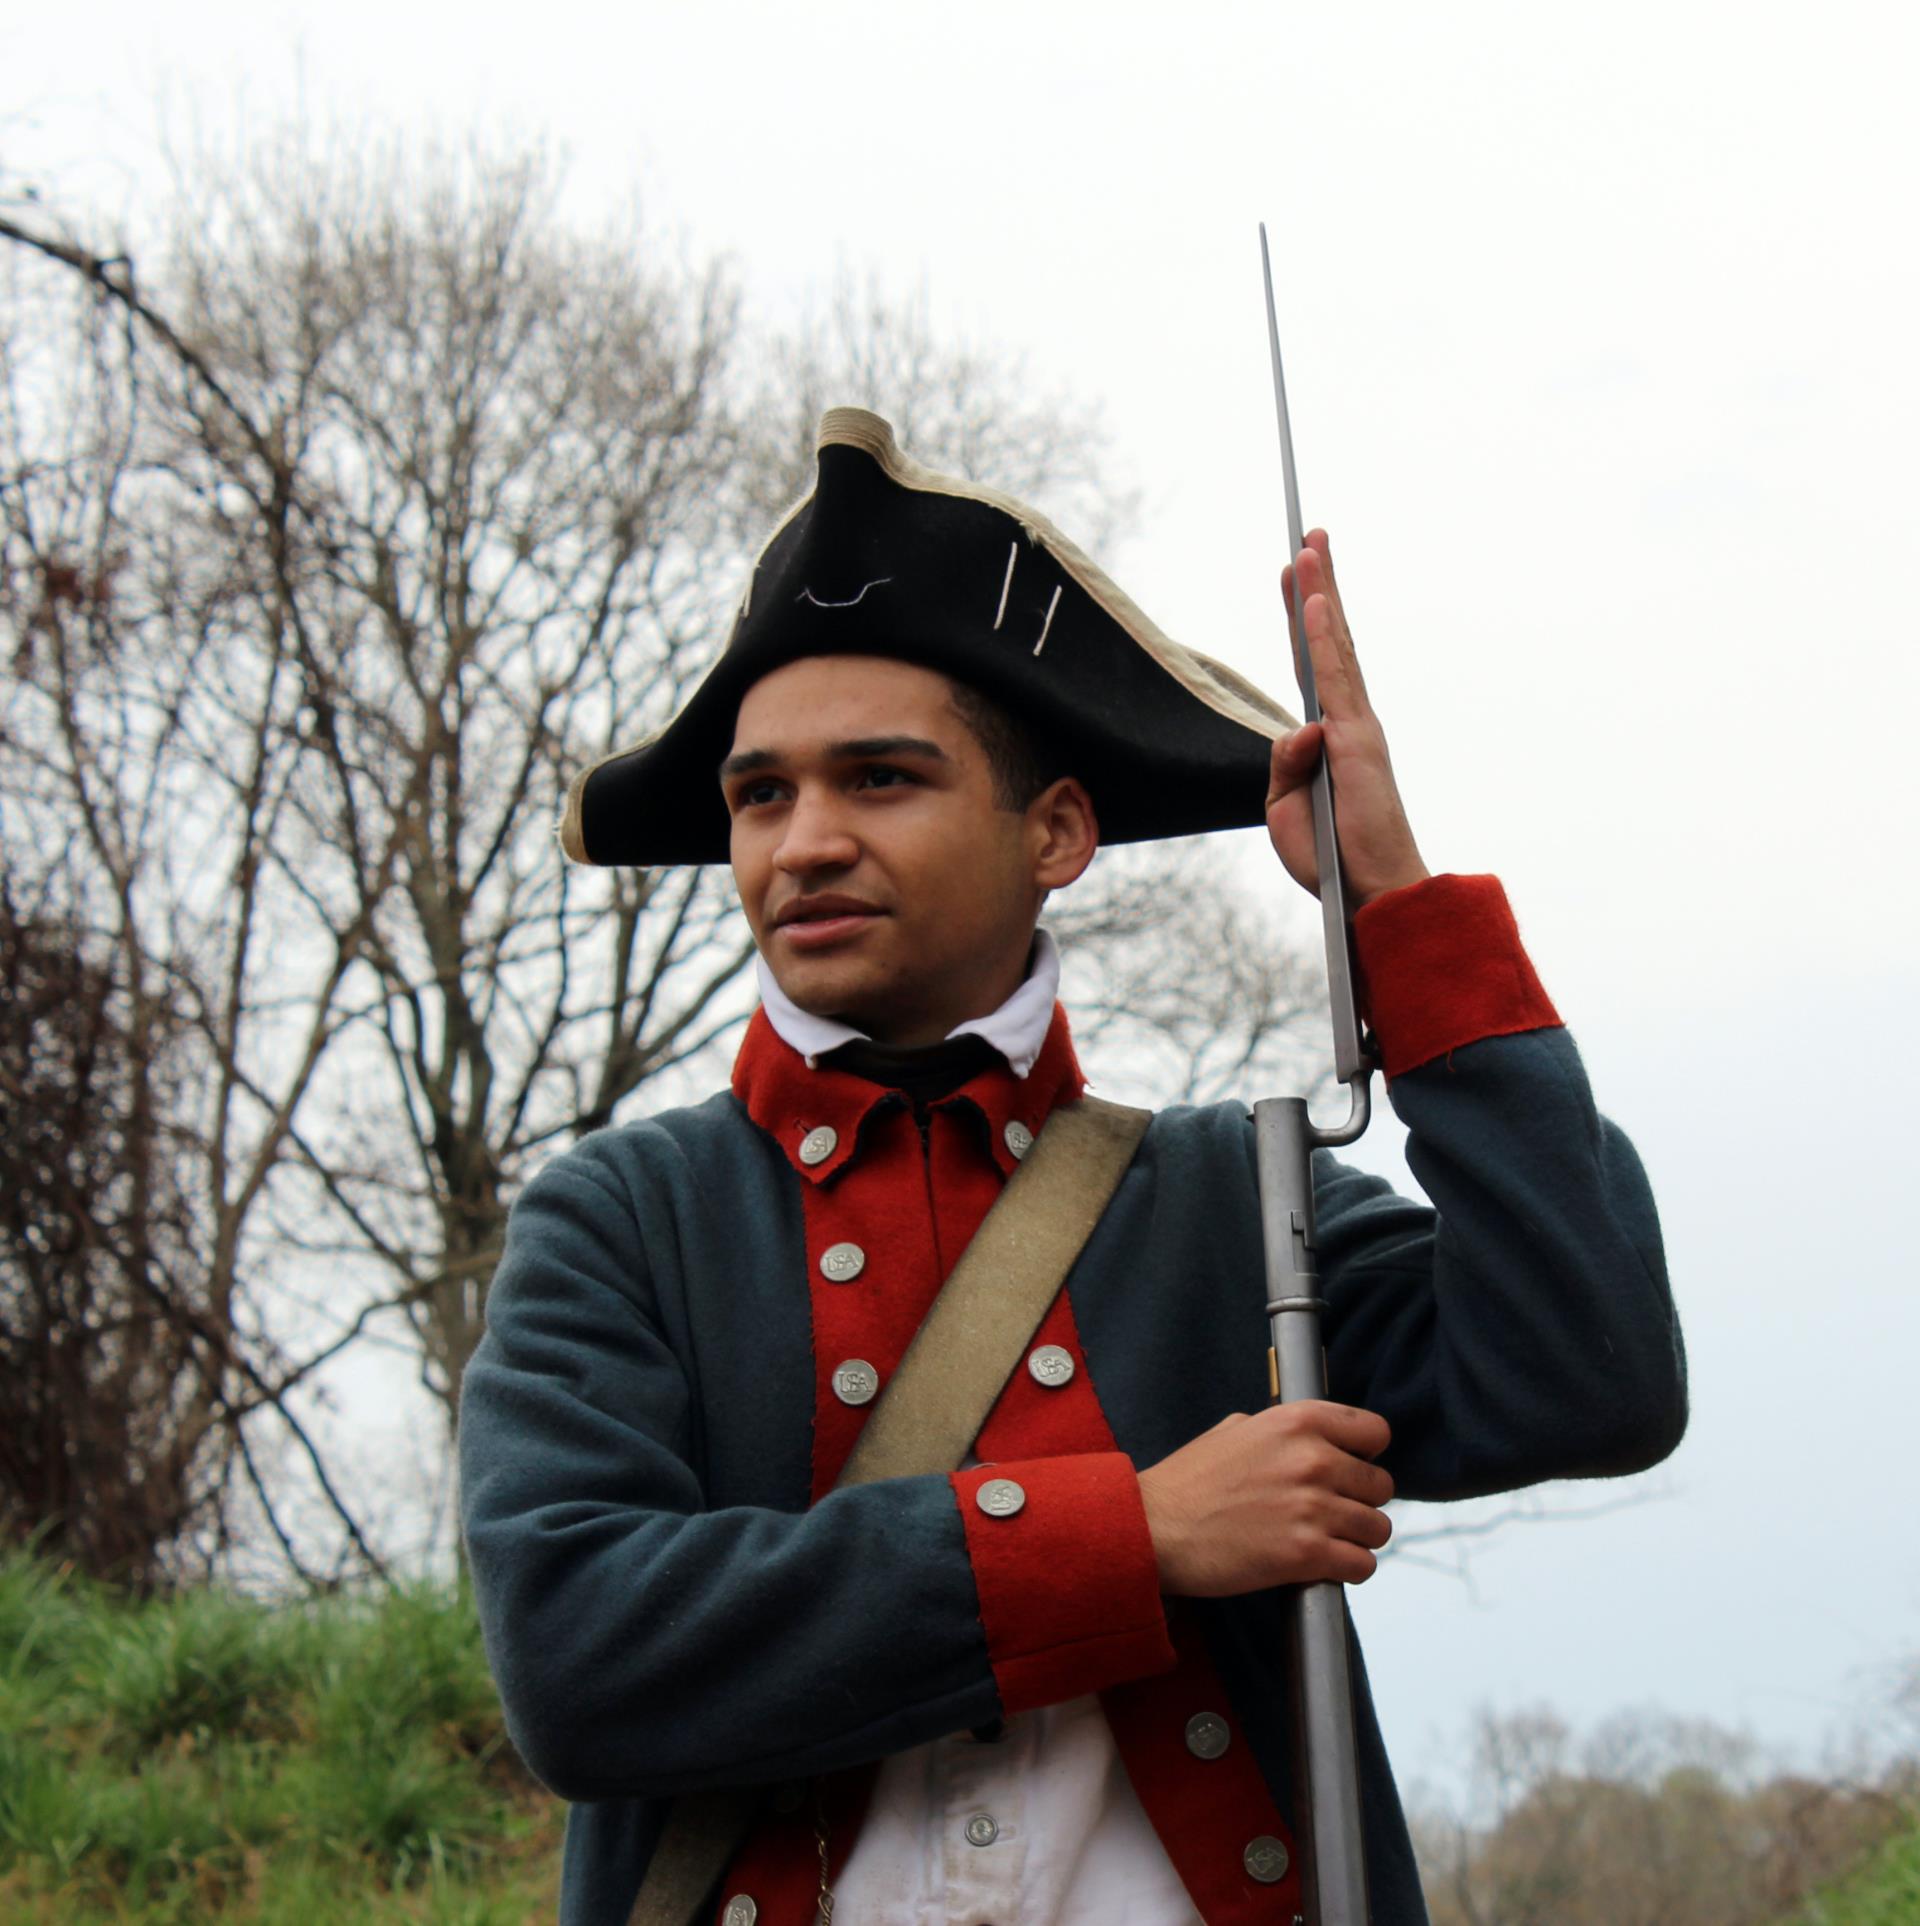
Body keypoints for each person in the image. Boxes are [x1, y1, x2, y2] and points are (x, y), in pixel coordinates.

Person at [459, 408, 1688, 1926]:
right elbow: (578, 1663)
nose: (805, 841)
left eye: (880, 779)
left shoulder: (1245, 1201)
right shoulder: (623, 1222)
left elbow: (1596, 1375)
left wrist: (1400, 907)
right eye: (762, 794)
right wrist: (1137, 1533)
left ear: (1054, 831)